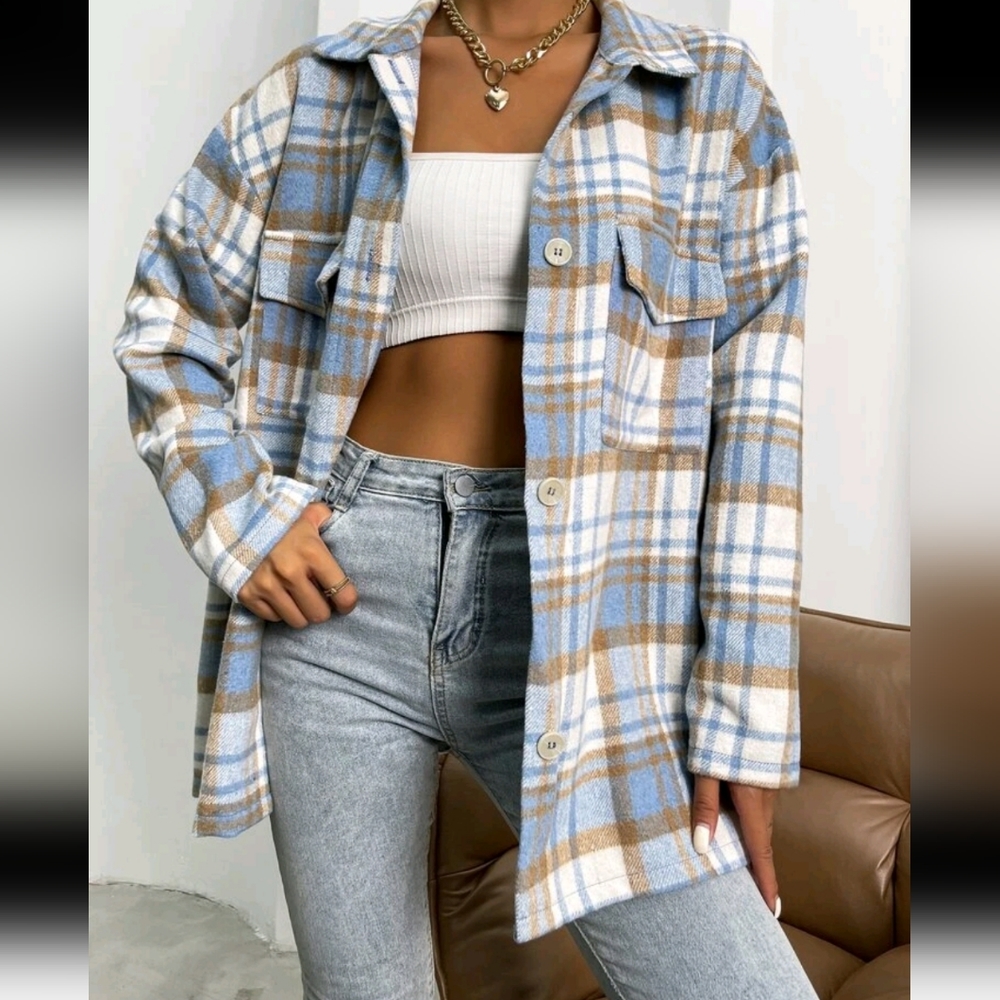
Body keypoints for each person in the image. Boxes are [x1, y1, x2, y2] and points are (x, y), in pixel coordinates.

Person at [113, 0, 816, 996]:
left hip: (587, 620)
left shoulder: (712, 96)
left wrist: (744, 718)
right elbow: (166, 318)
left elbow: (760, 420)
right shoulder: (322, 88)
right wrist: (243, 523)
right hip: (342, 600)